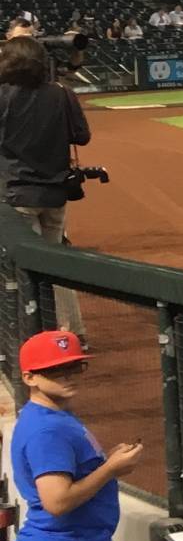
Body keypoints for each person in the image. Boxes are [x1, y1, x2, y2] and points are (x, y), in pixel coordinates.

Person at [9, 330, 143, 541]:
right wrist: (110, 468)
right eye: (55, 369)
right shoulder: (48, 429)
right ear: (30, 377)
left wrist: (103, 461)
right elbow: (57, 502)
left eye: (73, 367)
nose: (67, 375)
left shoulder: (48, 416)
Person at [0, 35, 89, 337]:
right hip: (55, 194)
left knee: (23, 268)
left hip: (18, 193)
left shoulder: (3, 96)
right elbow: (82, 136)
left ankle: (33, 335)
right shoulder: (61, 93)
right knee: (57, 264)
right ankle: (73, 333)